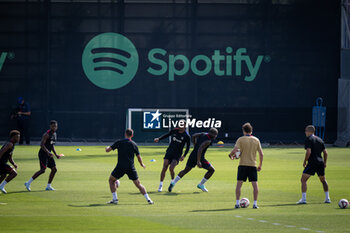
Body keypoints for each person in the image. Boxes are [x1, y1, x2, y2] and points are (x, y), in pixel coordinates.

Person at [105, 128, 153, 205]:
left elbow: (108, 150)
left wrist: (106, 148)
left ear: (125, 134)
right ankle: (149, 199)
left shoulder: (119, 142)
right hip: (131, 167)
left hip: (120, 167)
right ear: (132, 135)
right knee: (138, 184)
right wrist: (142, 164)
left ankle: (115, 199)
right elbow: (138, 156)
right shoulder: (134, 144)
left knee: (111, 180)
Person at [168, 127, 218, 193]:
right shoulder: (208, 140)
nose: (215, 136)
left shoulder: (203, 134)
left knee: (185, 170)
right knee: (212, 170)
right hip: (200, 157)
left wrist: (195, 144)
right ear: (212, 134)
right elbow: (200, 149)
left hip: (192, 155)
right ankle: (201, 184)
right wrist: (198, 161)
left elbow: (194, 136)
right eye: (215, 135)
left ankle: (173, 183)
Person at [229, 123, 263, 209]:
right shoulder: (256, 140)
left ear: (244, 131)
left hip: (242, 165)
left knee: (239, 185)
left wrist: (230, 155)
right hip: (252, 165)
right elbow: (261, 154)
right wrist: (260, 165)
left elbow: (236, 150)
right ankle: (255, 204)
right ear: (251, 130)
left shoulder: (240, 139)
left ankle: (237, 203)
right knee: (255, 185)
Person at [297, 125, 330, 204]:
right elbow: (325, 153)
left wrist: (305, 161)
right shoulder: (320, 139)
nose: (305, 132)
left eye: (306, 131)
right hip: (320, 162)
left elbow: (309, 151)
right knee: (323, 180)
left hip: (312, 162)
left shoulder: (308, 139)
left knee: (303, 180)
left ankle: (303, 199)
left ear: (309, 131)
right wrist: (325, 163)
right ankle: (327, 198)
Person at [25, 120, 61, 191]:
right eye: (53, 126)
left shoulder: (54, 134)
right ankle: (28, 183)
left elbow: (52, 145)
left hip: (49, 154)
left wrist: (56, 154)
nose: (54, 127)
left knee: (54, 169)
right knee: (42, 170)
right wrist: (48, 152)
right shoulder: (46, 134)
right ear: (50, 126)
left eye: (56, 126)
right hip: (43, 154)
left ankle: (48, 186)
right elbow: (41, 145)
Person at [154, 121, 190, 192]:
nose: (180, 126)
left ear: (185, 126)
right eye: (179, 124)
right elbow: (167, 135)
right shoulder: (174, 130)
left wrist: (184, 156)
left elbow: (188, 147)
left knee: (171, 168)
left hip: (177, 154)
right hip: (169, 152)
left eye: (182, 125)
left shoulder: (186, 136)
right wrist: (159, 138)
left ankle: (172, 181)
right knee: (164, 167)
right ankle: (160, 185)